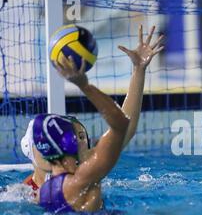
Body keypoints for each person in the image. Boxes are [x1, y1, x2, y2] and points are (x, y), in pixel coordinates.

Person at [21, 25, 164, 200]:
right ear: (30, 148)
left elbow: (125, 127)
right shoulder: (23, 193)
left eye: (81, 137)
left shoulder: (84, 171)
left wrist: (138, 70)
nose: (76, 143)